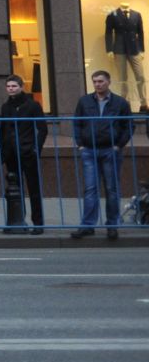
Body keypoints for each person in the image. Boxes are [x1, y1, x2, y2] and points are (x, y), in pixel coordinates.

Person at [70, 70, 134, 241]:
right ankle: (87, 225)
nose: (98, 84)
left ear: (108, 82)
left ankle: (112, 225)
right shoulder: (84, 101)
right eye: (95, 82)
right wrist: (80, 144)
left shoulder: (120, 102)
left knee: (111, 189)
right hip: (89, 150)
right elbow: (77, 123)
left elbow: (128, 126)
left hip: (109, 150)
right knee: (90, 189)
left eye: (101, 81)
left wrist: (118, 145)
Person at [0, 74, 46, 235]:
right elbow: (3, 129)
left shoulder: (32, 105)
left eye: (14, 86)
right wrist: (3, 150)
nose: (11, 89)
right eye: (8, 86)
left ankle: (38, 223)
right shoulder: (6, 107)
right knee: (14, 189)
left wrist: (36, 149)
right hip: (11, 153)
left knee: (33, 188)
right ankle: (18, 221)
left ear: (21, 87)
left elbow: (42, 129)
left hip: (27, 152)